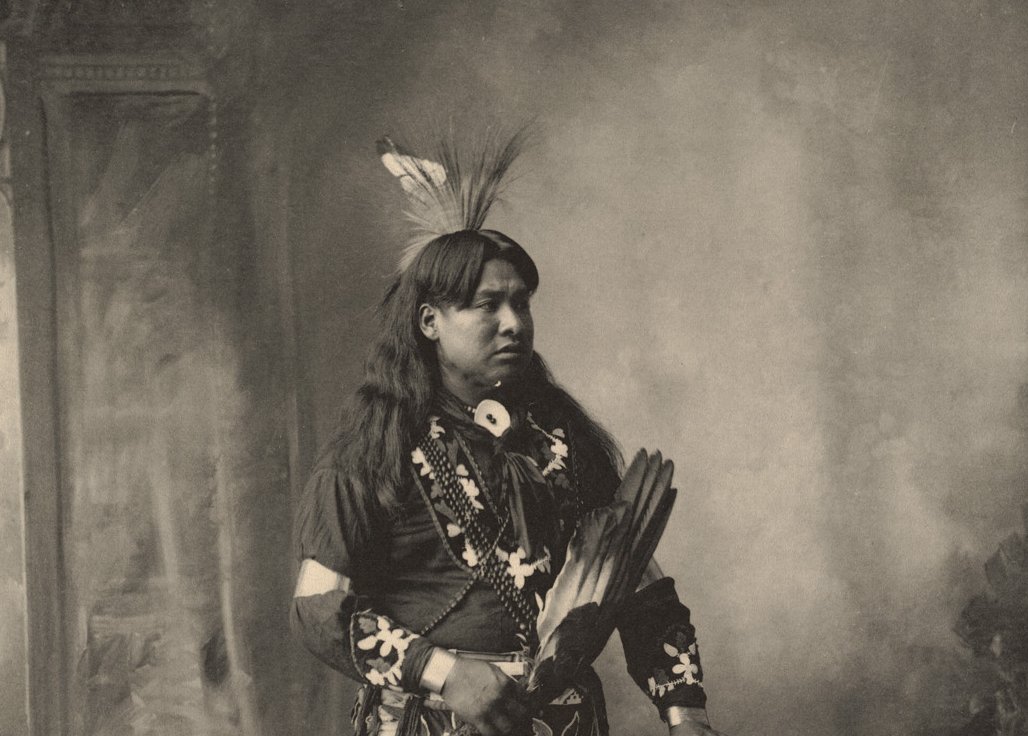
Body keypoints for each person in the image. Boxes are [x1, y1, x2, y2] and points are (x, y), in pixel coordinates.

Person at [290, 134, 723, 736]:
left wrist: (686, 715)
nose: (514, 324)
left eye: (521, 303)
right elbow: (317, 608)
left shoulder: (562, 439)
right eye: (488, 305)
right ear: (430, 322)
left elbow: (641, 591)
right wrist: (443, 671)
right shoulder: (372, 449)